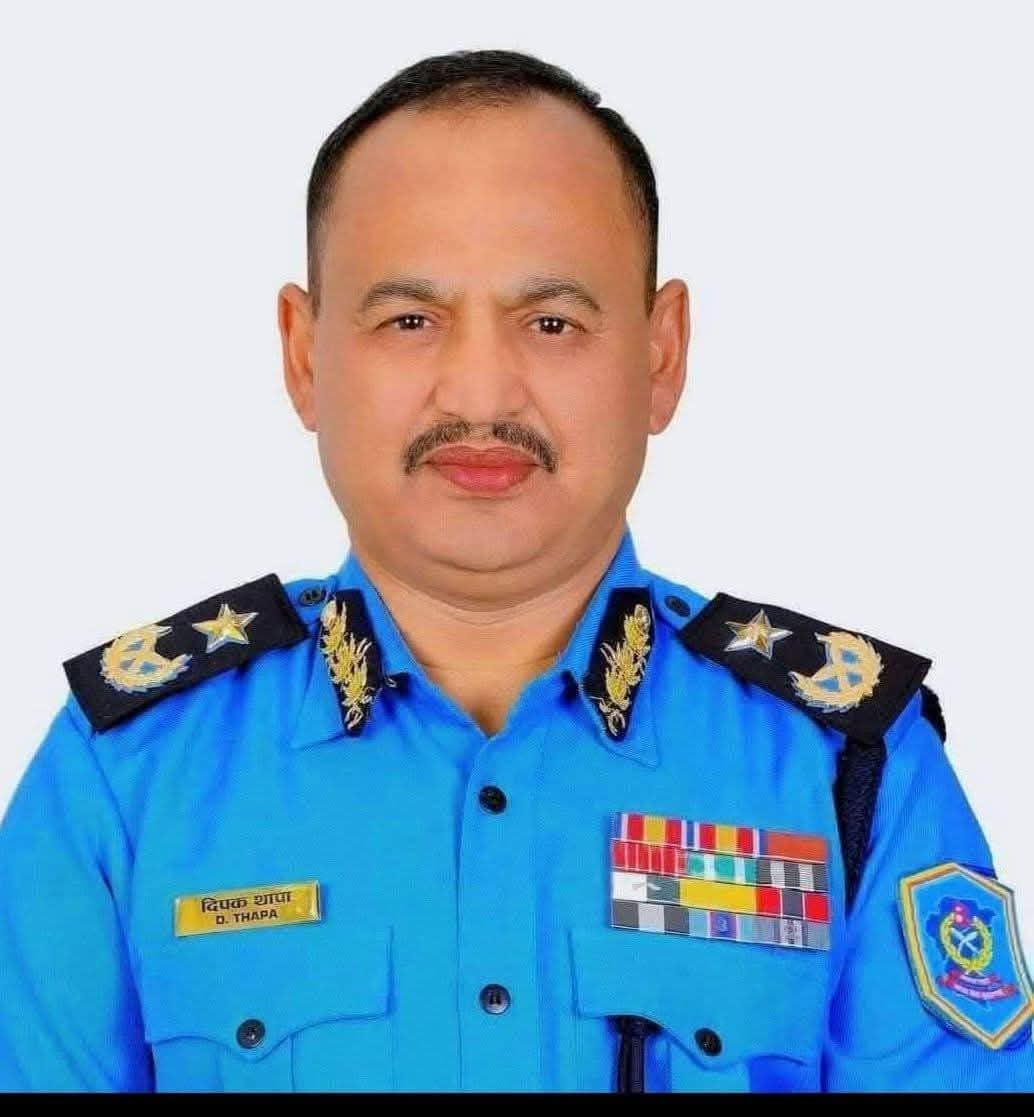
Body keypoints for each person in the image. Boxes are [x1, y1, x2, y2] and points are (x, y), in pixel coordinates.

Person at [0, 48, 1030, 1094]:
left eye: (551, 322)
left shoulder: (847, 770)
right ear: (305, 356)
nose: (480, 394)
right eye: (410, 320)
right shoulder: (124, 779)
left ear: (660, 354)